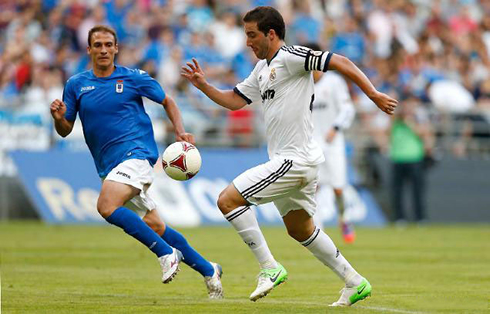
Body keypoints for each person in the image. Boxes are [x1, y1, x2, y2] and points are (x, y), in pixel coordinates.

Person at [181, 6, 397, 307]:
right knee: (300, 229)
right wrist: (204, 86)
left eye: (252, 35)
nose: (248, 42)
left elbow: (342, 61)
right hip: (296, 160)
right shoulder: (261, 70)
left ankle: (269, 266)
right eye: (246, 35)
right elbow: (234, 101)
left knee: (227, 200)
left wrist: (372, 94)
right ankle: (354, 282)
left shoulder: (293, 56)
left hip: (294, 161)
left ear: (271, 34)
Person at [50, 25, 223, 299]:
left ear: (116, 48)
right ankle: (209, 270)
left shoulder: (133, 78)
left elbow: (167, 100)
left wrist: (179, 130)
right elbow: (65, 129)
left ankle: (166, 254)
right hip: (109, 165)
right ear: (89, 49)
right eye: (98, 45)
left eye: (109, 44)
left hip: (137, 154)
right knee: (155, 226)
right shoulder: (76, 85)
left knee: (106, 205)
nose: (104, 50)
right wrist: (59, 117)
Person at [305, 42, 357, 243]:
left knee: (338, 188)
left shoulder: (334, 82)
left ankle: (344, 218)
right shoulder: (302, 84)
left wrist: (335, 128)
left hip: (333, 143)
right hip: (311, 145)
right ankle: (318, 233)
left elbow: (347, 109)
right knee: (312, 188)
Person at [389, 95, 434, 224]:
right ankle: (399, 218)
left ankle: (420, 218)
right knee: (397, 192)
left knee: (417, 191)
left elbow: (424, 134)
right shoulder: (396, 120)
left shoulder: (418, 120)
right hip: (398, 158)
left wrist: (410, 122)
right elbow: (387, 131)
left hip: (415, 159)